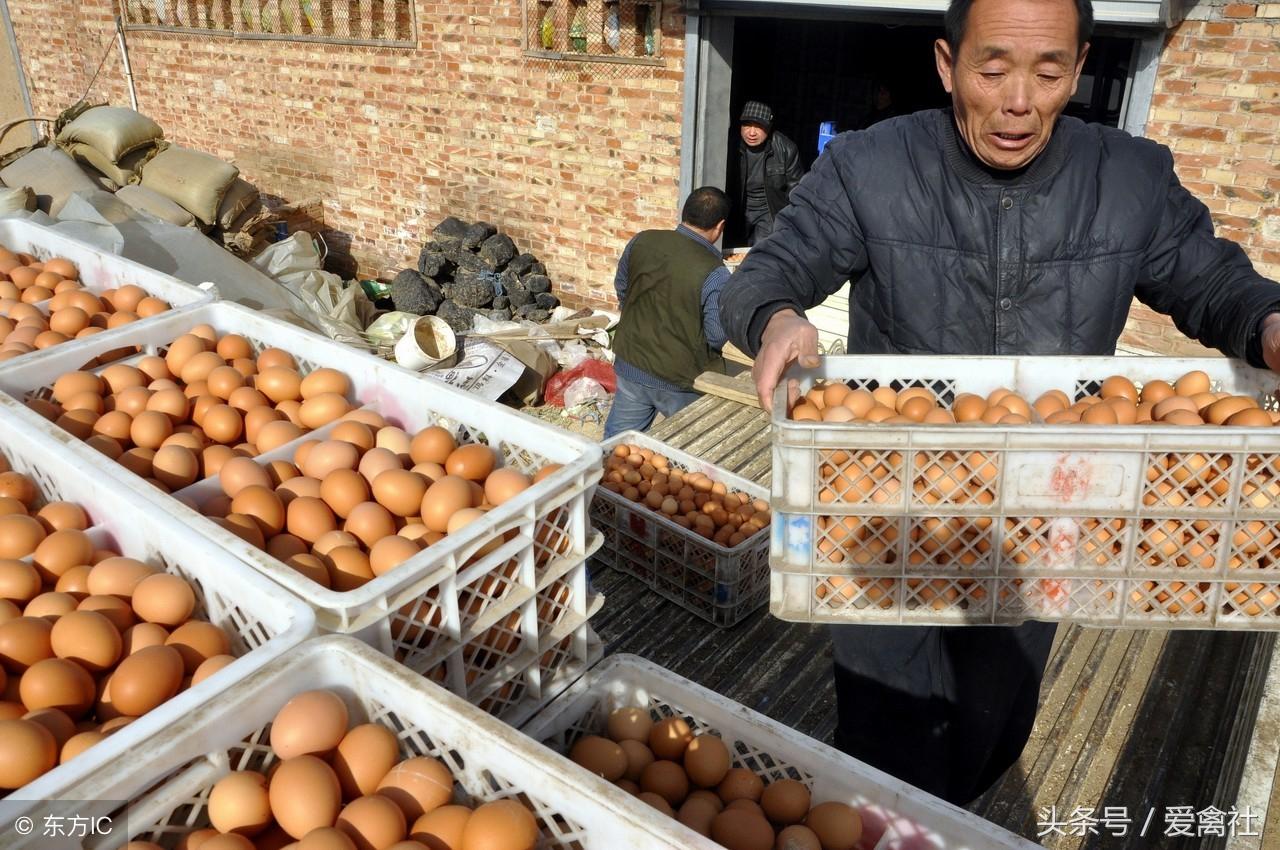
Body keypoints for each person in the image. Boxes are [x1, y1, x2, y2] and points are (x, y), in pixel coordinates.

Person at [719, 0, 1280, 807]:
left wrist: (1265, 322)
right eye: (993, 70)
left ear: (1079, 67)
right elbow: (772, 270)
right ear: (948, 65)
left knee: (992, 726)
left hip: (1037, 519)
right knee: (886, 738)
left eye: (1049, 72)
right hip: (890, 513)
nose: (1020, 101)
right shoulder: (871, 166)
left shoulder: (1129, 177)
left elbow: (1215, 280)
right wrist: (775, 320)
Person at [603, 187, 732, 439]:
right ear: (720, 227)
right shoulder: (716, 273)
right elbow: (716, 334)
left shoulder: (642, 240)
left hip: (631, 361)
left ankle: (602, 477)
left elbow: (622, 289)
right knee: (688, 448)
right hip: (680, 379)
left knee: (618, 448)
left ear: (684, 213)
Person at [734, 101, 806, 246]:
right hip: (738, 209)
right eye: (747, 125)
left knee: (761, 252)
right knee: (733, 252)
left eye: (759, 126)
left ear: (769, 127)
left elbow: (796, 189)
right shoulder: (730, 145)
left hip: (769, 211)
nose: (752, 133)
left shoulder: (786, 149)